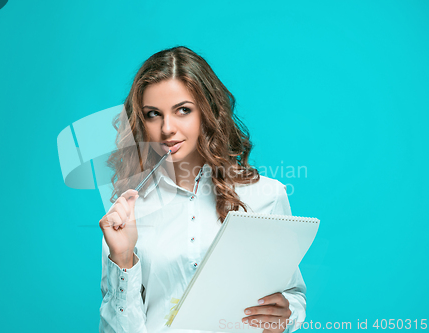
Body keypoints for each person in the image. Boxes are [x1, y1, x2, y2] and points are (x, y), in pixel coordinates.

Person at [98, 46, 306, 333]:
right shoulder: (128, 214)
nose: (167, 128)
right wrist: (122, 259)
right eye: (153, 114)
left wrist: (287, 314)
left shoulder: (266, 196)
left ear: (208, 111)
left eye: (183, 110)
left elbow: (292, 296)